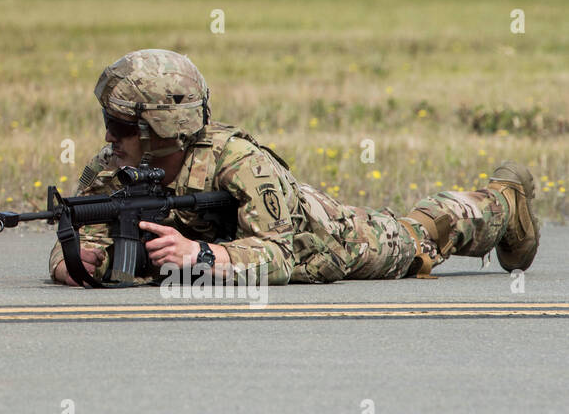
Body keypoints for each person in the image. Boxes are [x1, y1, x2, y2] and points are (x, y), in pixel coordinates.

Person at [49, 49, 540, 286]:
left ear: (163, 127)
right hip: (266, 244)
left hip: (327, 241)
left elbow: (278, 257)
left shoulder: (240, 164)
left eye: (121, 124)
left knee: (423, 234)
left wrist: (200, 256)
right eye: (108, 120)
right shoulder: (113, 168)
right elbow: (89, 238)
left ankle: (504, 201)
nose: (109, 135)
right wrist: (72, 263)